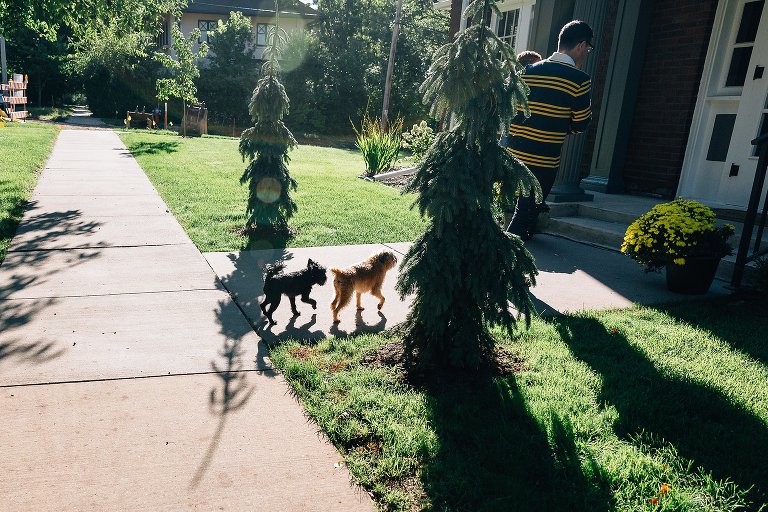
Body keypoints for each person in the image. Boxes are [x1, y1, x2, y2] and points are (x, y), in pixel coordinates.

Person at [505, 20, 594, 240]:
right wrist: (558, 126)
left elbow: (510, 109)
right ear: (581, 46)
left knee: (521, 213)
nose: (587, 54)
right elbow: (581, 124)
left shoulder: (528, 70)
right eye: (588, 49)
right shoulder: (580, 80)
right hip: (544, 160)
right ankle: (505, 260)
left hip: (513, 154)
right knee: (523, 216)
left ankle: (514, 255)